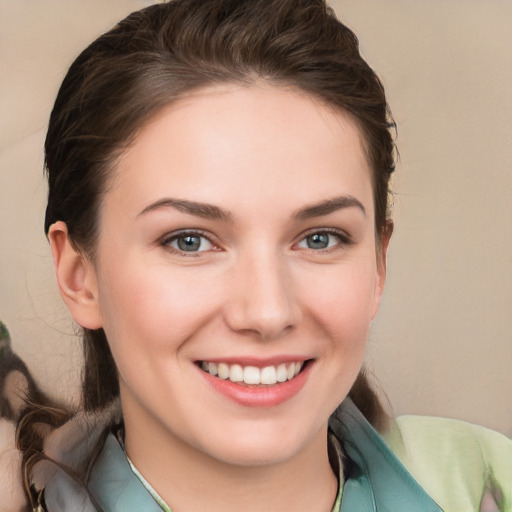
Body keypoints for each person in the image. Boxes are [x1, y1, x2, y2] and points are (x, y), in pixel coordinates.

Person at [0, 0, 510, 511]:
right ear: (78, 275)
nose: (268, 312)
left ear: (378, 265)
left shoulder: (484, 481)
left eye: (319, 238)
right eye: (190, 241)